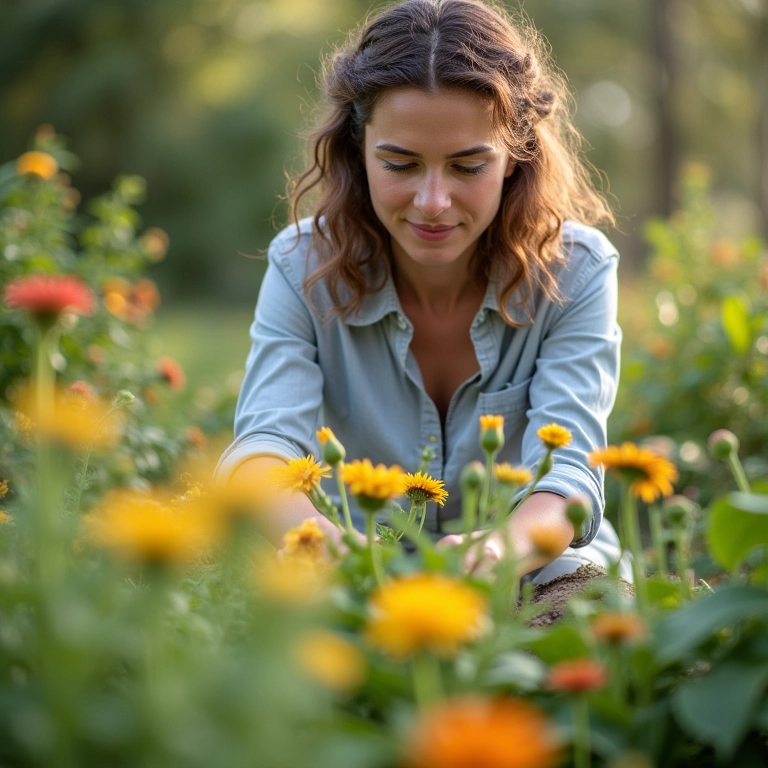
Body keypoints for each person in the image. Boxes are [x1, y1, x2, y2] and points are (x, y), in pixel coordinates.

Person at [217, 0, 628, 583]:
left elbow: (567, 478)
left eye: (467, 167)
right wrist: (333, 549)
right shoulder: (301, 264)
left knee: (577, 616)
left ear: (514, 158)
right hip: (351, 562)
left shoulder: (575, 273)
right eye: (401, 163)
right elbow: (263, 449)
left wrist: (492, 555)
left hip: (534, 564)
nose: (433, 202)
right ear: (359, 152)